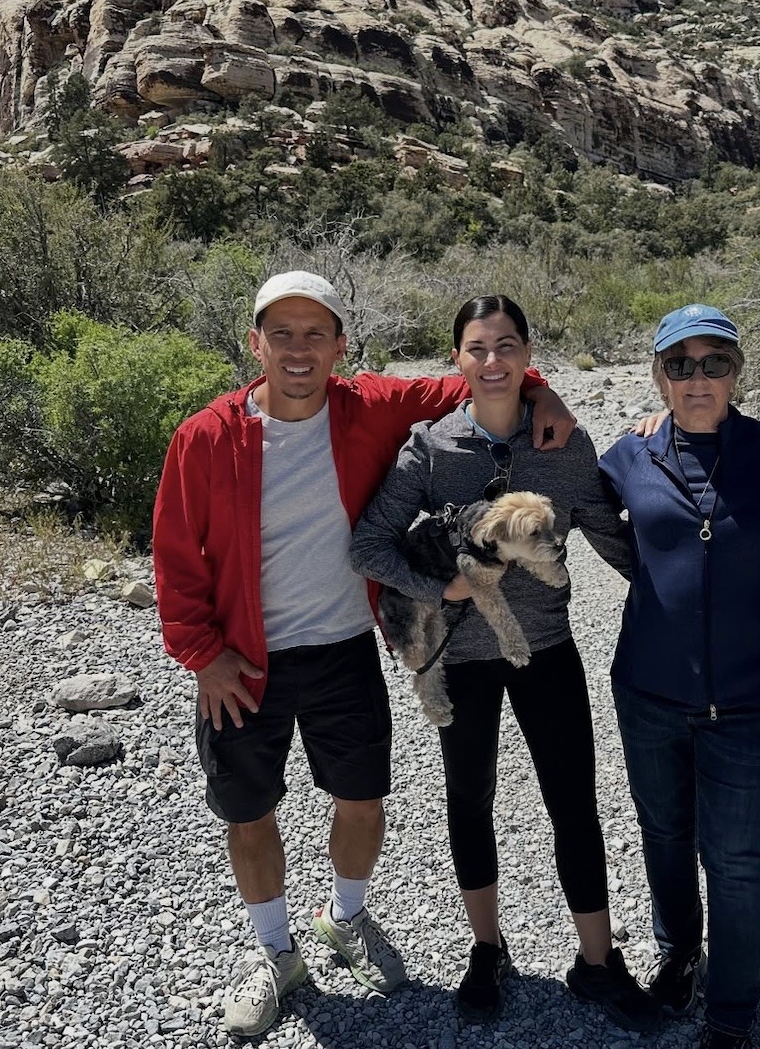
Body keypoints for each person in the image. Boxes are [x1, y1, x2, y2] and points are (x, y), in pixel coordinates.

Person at [151, 271, 575, 1039]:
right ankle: (275, 952)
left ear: (341, 346)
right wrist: (202, 656)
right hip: (245, 659)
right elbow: (175, 557)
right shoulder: (206, 438)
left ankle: (345, 919)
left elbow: (481, 369)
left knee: (361, 800)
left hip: (345, 648)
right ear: (255, 344)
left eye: (316, 333)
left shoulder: (372, 407)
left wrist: (543, 391)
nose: (299, 349)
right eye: (281, 333)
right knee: (251, 812)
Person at [350, 295, 660, 1032]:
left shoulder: (565, 447)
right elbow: (369, 545)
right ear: (456, 359)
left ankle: (596, 962)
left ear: (528, 355)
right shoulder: (430, 450)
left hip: (547, 652)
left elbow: (616, 542)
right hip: (462, 658)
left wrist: (683, 592)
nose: (493, 362)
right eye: (477, 349)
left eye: (507, 346)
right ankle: (487, 950)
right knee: (470, 802)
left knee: (573, 805)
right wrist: (442, 587)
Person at [598, 304, 760, 1049]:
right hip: (648, 692)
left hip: (746, 699)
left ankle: (732, 1011)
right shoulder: (629, 454)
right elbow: (575, 497)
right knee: (665, 833)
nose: (698, 377)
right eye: (680, 365)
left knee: (737, 860)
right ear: (659, 376)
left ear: (738, 371)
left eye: (715, 362)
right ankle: (679, 957)